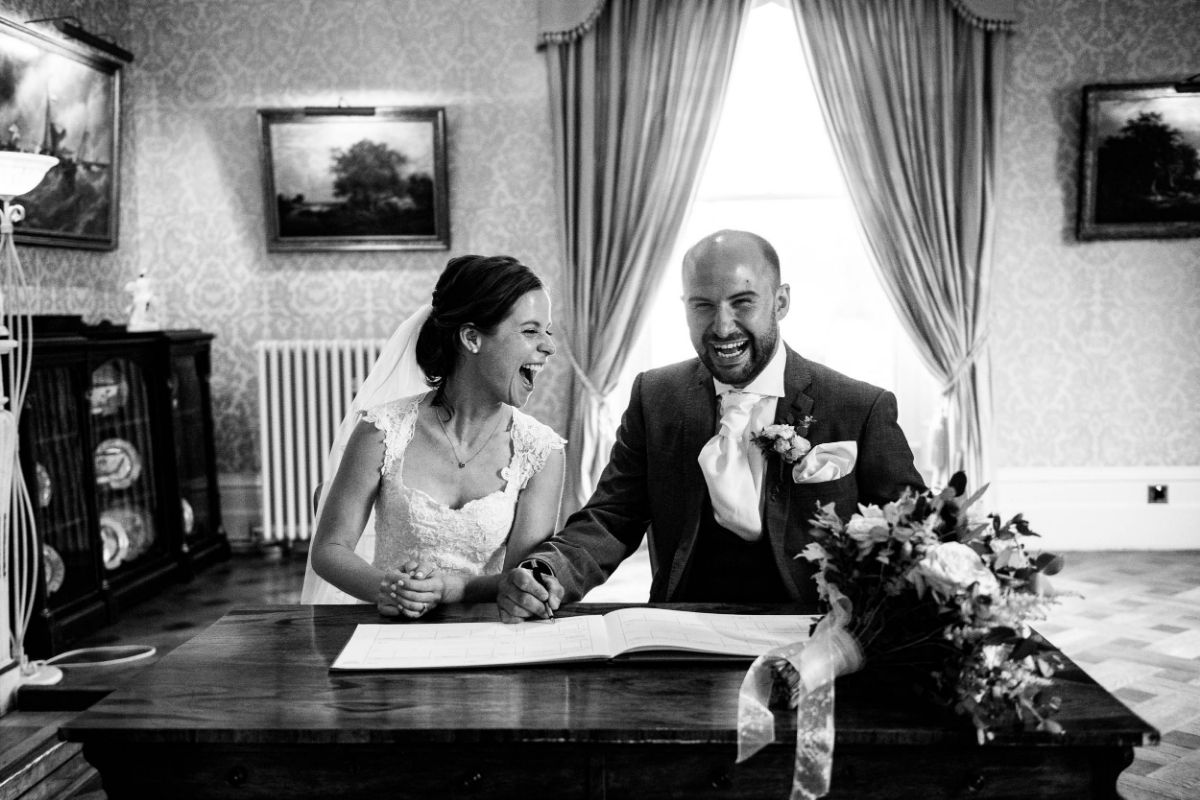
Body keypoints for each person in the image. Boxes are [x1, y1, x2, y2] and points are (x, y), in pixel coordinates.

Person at [497, 229, 924, 621]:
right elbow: (612, 516)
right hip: (683, 630)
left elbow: (916, 534)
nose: (722, 327)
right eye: (702, 305)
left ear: (780, 302)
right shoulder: (655, 396)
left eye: (742, 302)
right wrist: (546, 571)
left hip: (816, 634)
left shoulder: (859, 407)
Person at [302, 254, 565, 617]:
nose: (549, 346)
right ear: (472, 338)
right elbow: (329, 548)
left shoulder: (542, 453)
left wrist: (447, 589)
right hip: (393, 635)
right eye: (531, 330)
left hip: (492, 637)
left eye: (547, 331)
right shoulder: (382, 431)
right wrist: (389, 589)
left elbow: (519, 582)